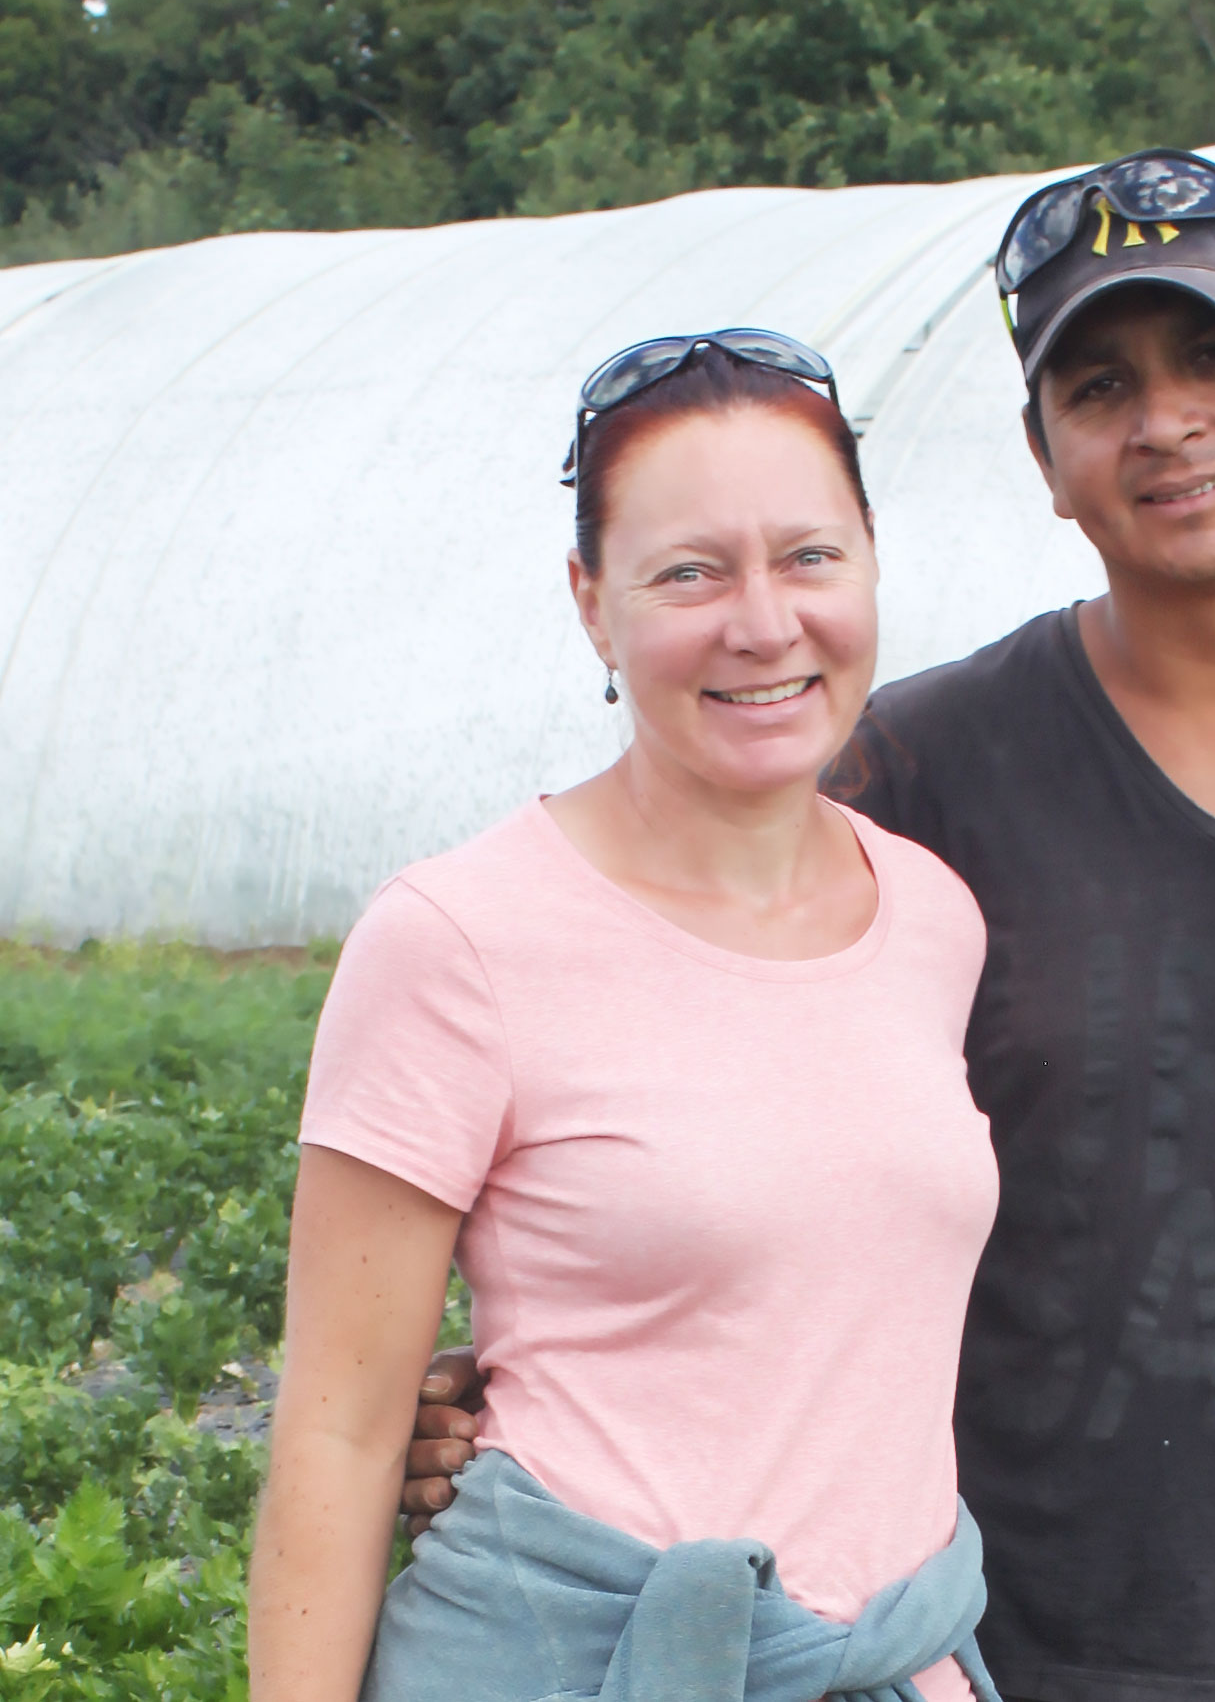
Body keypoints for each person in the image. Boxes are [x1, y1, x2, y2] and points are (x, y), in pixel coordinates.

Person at [403, 152, 1215, 1702]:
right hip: (989, 1651)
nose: (1166, 420)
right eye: (1098, 383)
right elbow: (681, 1126)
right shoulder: (907, 783)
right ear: (1044, 452)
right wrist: (482, 1397)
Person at [248, 331, 1006, 1702]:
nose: (764, 623)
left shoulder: (935, 918)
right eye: (690, 573)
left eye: (809, 556)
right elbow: (340, 1434)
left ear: (872, 562)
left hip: (901, 1664)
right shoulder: (459, 939)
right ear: (592, 605)